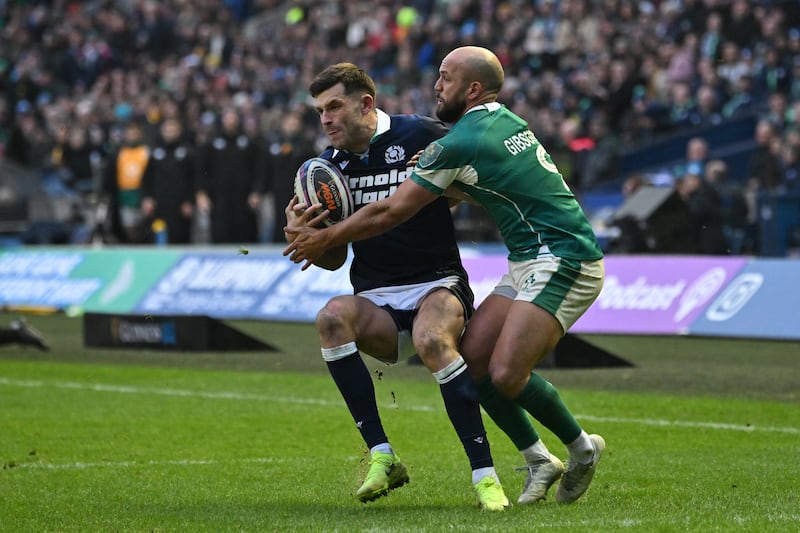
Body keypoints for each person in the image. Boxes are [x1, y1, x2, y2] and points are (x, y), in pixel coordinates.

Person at [285, 46, 607, 505]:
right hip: (525, 257)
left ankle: (582, 450)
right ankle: (539, 459)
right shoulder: (501, 121)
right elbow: (478, 186)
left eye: (445, 78)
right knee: (475, 365)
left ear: (472, 89)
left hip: (562, 255)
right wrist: (313, 236)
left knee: (506, 373)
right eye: (319, 110)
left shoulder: (448, 139)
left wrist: (335, 229)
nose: (436, 86)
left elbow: (396, 209)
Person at [284, 62, 509, 510]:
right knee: (330, 318)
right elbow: (332, 259)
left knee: (431, 339)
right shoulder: (328, 171)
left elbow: (479, 190)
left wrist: (449, 185)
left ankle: (486, 477)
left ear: (365, 103)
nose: (325, 119)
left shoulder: (424, 134)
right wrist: (305, 236)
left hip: (437, 284)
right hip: (376, 300)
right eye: (318, 111)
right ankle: (383, 456)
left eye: (333, 107)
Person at [140, 118, 195, 244]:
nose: (170, 132)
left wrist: (189, 200)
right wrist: (147, 198)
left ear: (179, 131)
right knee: (157, 237)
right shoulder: (155, 153)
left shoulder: (188, 152)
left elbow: (193, 179)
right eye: (168, 129)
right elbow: (146, 179)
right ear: (162, 131)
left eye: (173, 129)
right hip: (159, 205)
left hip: (180, 206)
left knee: (180, 237)